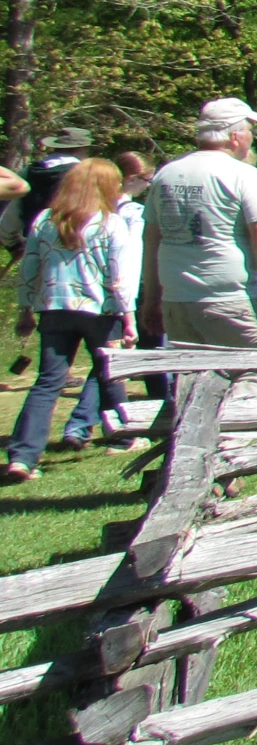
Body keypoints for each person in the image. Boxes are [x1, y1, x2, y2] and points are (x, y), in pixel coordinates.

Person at [142, 97, 257, 363]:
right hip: (231, 299)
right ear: (235, 136)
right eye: (250, 131)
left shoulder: (166, 174)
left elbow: (152, 241)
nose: (252, 137)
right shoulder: (243, 175)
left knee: (193, 380)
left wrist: (151, 298)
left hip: (177, 298)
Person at [5, 159, 134, 481]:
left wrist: (25, 310)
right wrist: (128, 316)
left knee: (47, 382)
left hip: (54, 308)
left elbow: (29, 267)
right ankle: (124, 436)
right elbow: (118, 275)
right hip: (99, 310)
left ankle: (23, 456)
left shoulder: (46, 221)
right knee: (111, 373)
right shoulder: (109, 222)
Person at [55, 151, 149, 445]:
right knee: (112, 366)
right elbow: (129, 264)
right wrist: (130, 311)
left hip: (70, 302)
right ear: (128, 180)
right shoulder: (127, 215)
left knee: (101, 367)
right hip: (116, 300)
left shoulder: (72, 214)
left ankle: (80, 426)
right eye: (146, 179)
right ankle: (114, 430)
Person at [0, 127, 88, 257]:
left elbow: (8, 221)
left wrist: (15, 246)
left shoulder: (30, 173)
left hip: (35, 251)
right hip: (73, 254)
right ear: (81, 149)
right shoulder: (85, 175)